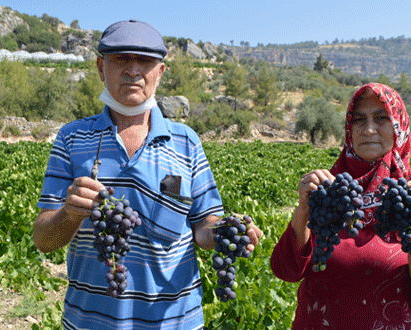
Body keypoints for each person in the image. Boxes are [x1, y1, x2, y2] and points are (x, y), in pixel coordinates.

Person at [33, 20, 262, 330]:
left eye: (144, 61)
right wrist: (69, 214)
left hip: (176, 323)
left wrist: (225, 231)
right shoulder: (72, 138)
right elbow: (44, 239)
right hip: (90, 322)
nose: (133, 70)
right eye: (121, 59)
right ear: (102, 67)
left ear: (160, 72)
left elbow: (203, 228)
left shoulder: (186, 142)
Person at [271, 83, 411, 329]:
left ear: (398, 127)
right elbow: (286, 271)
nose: (368, 130)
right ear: (349, 129)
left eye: (381, 118)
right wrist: (303, 211)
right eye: (359, 119)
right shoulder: (328, 192)